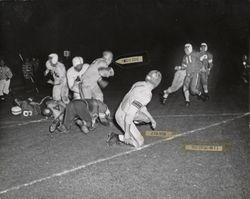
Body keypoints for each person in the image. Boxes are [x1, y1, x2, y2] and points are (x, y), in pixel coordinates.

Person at [107, 70, 162, 148]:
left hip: (122, 109)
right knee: (139, 142)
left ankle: (134, 122)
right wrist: (127, 134)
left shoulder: (139, 83)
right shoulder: (146, 94)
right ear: (157, 83)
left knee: (147, 119)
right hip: (124, 116)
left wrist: (151, 119)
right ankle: (116, 137)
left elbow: (140, 105)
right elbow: (130, 114)